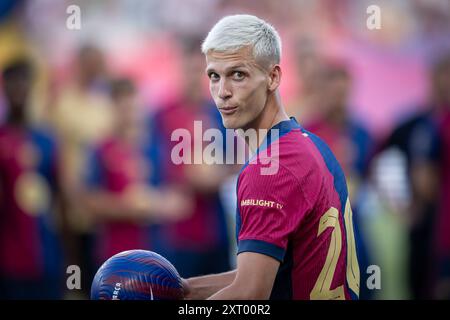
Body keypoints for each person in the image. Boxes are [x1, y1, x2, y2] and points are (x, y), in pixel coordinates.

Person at [182, 14, 360, 300]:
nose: (222, 92)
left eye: (238, 74)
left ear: (274, 77)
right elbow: (264, 272)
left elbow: (250, 294)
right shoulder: (311, 144)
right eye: (214, 76)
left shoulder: (269, 169)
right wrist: (185, 291)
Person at [0, 59, 65, 299]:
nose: (18, 88)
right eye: (12, 82)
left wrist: (70, 257)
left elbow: (61, 199)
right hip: (8, 259)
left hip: (46, 256)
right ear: (4, 88)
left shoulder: (47, 140)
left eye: (23, 82)